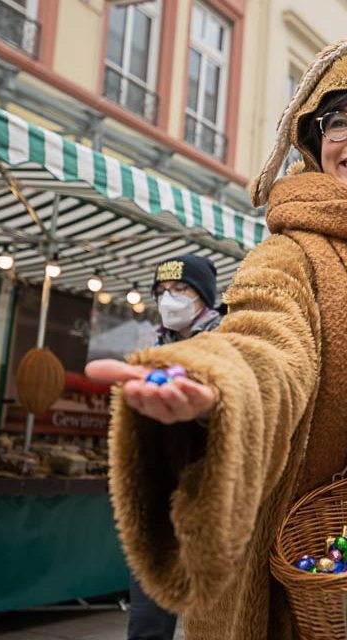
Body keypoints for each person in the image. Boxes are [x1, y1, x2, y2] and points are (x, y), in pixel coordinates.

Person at [86, 28, 347, 639]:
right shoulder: (289, 254)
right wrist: (216, 384)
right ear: (316, 141)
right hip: (290, 586)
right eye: (338, 122)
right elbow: (265, 338)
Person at [124, 254, 223, 640]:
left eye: (180, 289)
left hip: (215, 494)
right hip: (159, 489)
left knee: (218, 616)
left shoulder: (228, 340)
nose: (169, 299)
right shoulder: (153, 348)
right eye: (162, 290)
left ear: (203, 296)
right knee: (148, 614)